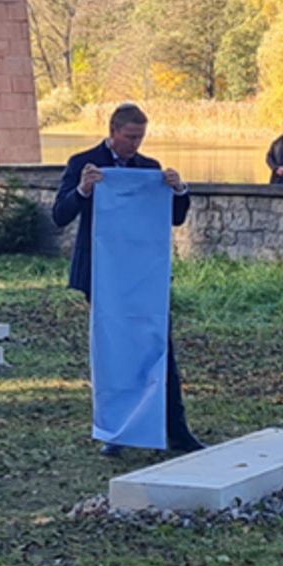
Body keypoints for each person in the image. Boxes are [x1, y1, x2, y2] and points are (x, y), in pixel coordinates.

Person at [52, 102, 203, 457]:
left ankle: (176, 431)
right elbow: (59, 215)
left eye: (140, 137)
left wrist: (178, 190)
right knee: (114, 351)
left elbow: (174, 218)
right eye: (130, 137)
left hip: (144, 277)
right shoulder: (83, 163)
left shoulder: (148, 169)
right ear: (113, 131)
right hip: (103, 275)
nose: (135, 144)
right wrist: (84, 190)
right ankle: (117, 431)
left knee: (158, 348)